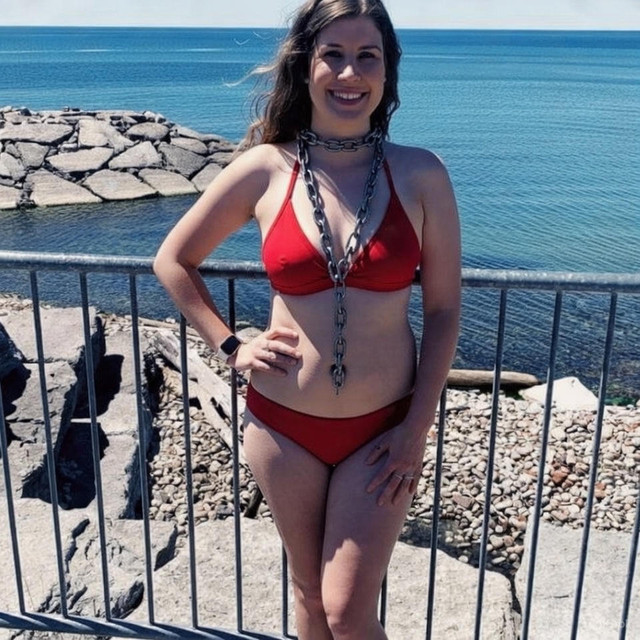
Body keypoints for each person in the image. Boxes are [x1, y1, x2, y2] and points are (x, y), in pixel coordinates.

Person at [154, 0, 461, 637]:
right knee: (310, 598)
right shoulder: (265, 168)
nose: (350, 73)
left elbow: (443, 309)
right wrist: (231, 346)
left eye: (367, 56)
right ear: (306, 66)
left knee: (348, 610)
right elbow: (174, 260)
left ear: (388, 70)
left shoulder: (421, 173)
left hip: (383, 432)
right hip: (281, 426)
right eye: (333, 55)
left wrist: (416, 428)